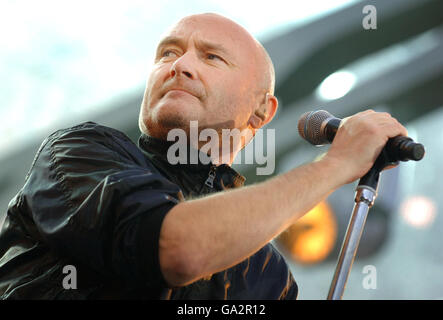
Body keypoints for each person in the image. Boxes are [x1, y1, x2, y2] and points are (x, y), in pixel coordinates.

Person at [0, 13, 407, 299]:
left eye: (211, 57)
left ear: (262, 111)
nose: (179, 65)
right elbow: (177, 248)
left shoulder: (269, 276)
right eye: (167, 53)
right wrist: (337, 165)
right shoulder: (80, 151)